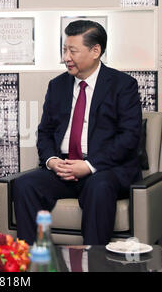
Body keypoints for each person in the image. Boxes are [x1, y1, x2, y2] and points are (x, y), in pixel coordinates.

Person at [13, 20, 142, 245]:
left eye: (72, 51)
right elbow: (45, 132)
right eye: (64, 50)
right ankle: (34, 261)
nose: (66, 57)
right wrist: (52, 161)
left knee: (99, 187)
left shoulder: (123, 85)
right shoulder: (57, 85)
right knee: (25, 185)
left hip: (103, 169)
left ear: (95, 51)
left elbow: (129, 137)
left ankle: (93, 263)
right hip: (63, 166)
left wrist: (89, 166)